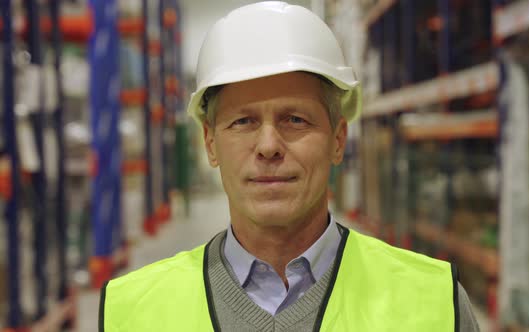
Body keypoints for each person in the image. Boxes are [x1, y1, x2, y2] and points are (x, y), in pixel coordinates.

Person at [99, 2, 480, 331]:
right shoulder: (132, 310)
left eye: (295, 120)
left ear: (338, 139)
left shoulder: (433, 302)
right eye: (243, 122)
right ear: (211, 144)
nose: (268, 146)